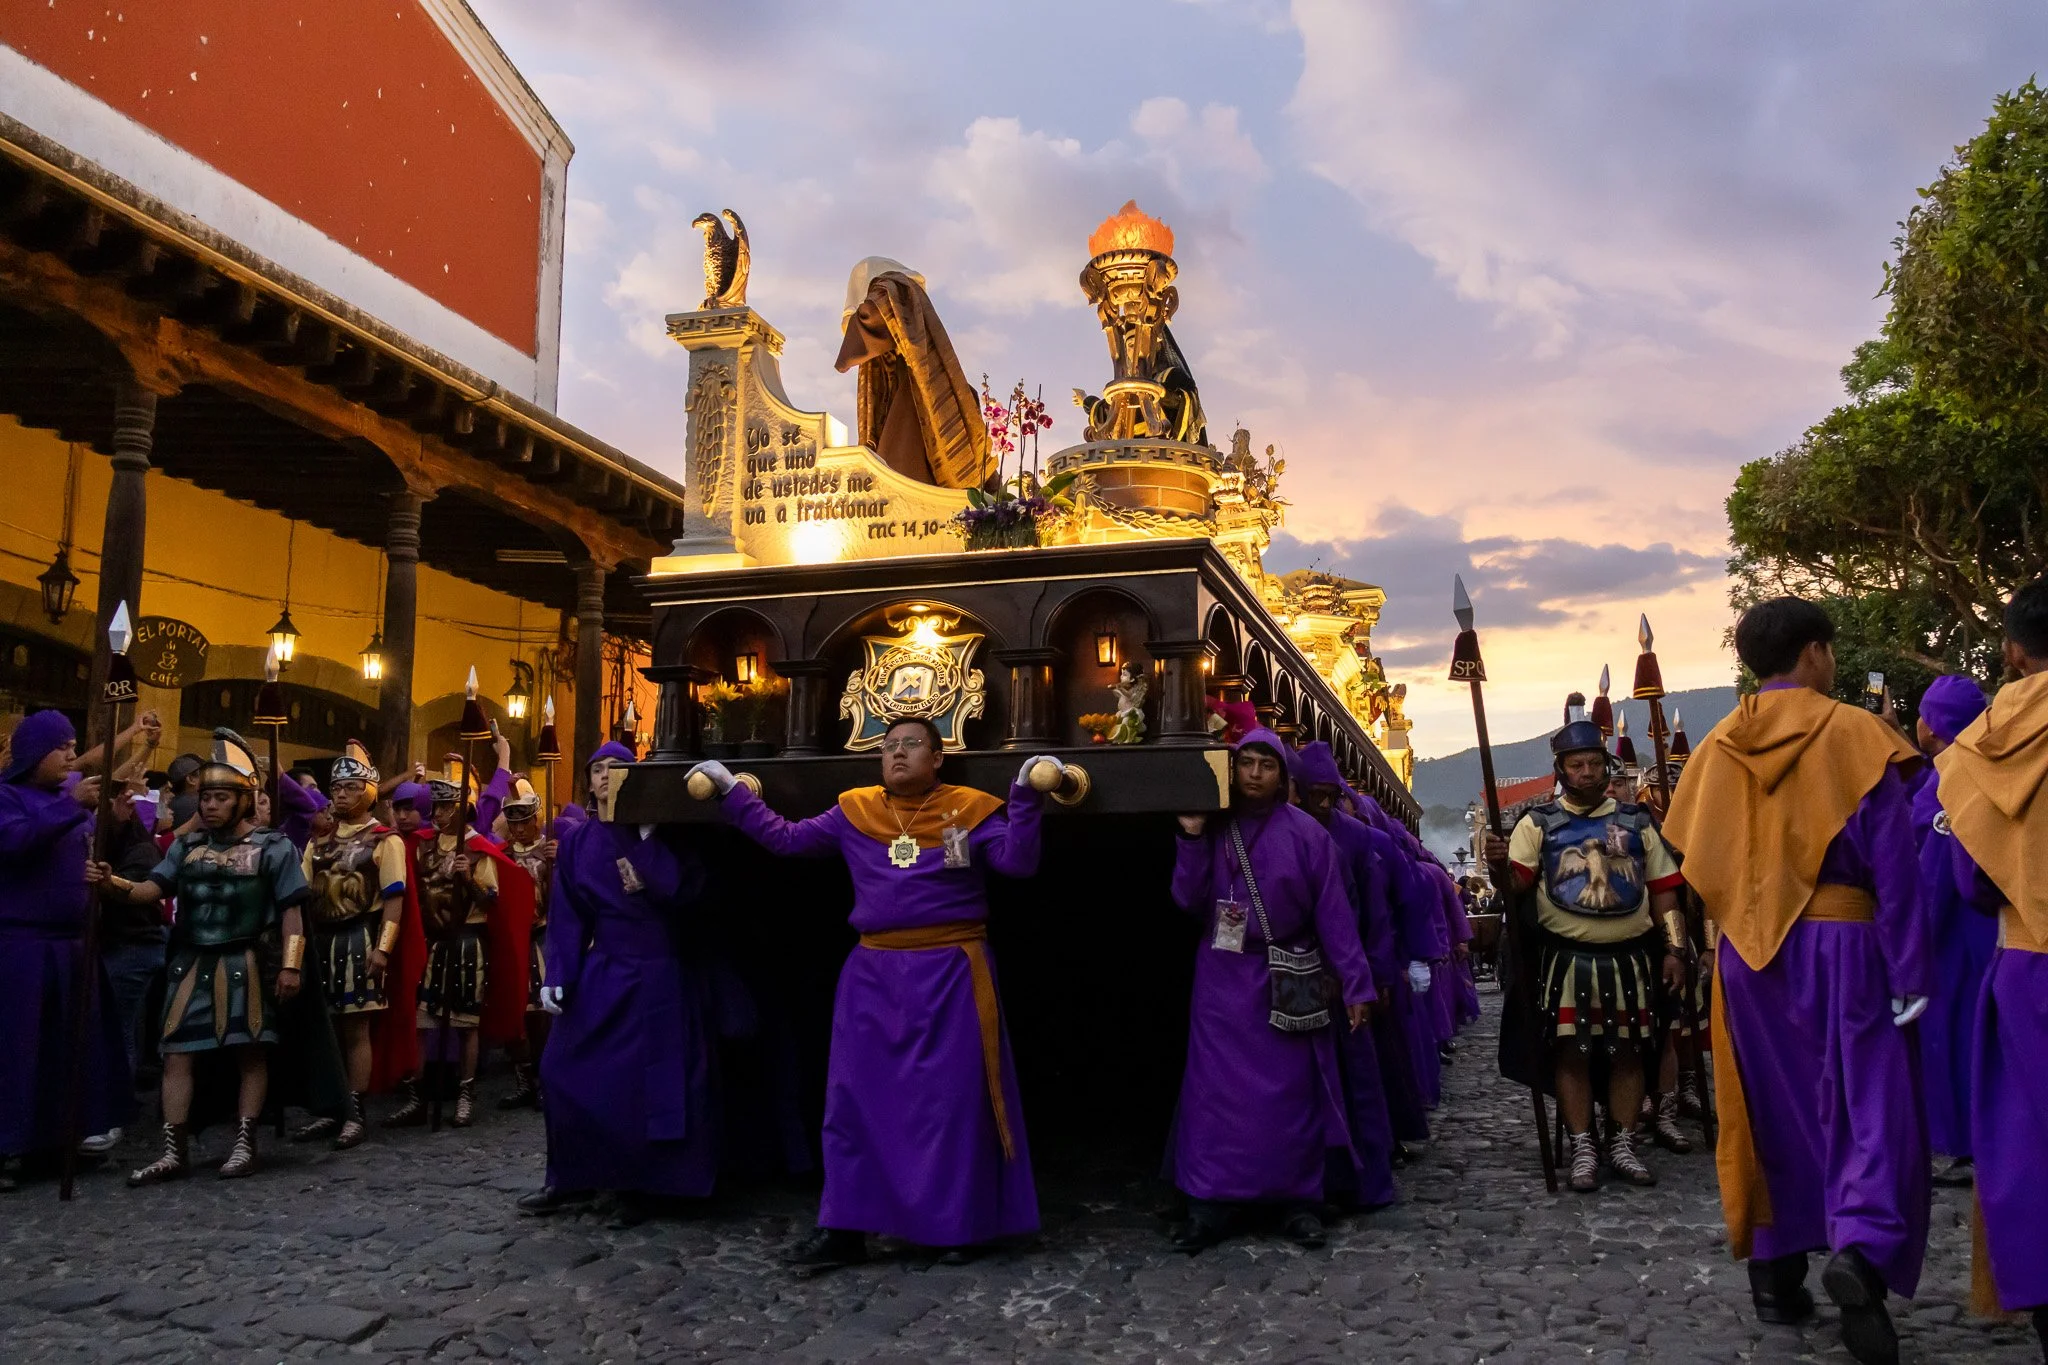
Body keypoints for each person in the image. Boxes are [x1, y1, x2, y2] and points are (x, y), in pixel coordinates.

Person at [692, 718, 1058, 1270]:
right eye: (888, 747)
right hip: (873, 977)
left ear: (939, 756)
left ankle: (958, 1225)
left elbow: (1018, 862)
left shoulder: (970, 809)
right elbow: (786, 840)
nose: (897, 754)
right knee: (854, 1103)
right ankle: (844, 1228)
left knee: (952, 1108)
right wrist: (731, 792)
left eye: (911, 744)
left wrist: (1026, 798)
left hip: (952, 976)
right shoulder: (855, 810)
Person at [1664, 598, 1926, 1365]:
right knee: (1868, 1101)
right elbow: (1898, 870)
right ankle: (1862, 1250)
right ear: (1815, 653)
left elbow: (1691, 860)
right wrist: (1911, 970)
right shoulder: (1856, 734)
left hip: (1748, 954)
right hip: (1846, 940)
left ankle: (1776, 1280)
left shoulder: (1714, 749)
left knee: (1765, 1108)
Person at [1169, 727, 1373, 1252]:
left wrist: (1355, 985)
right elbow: (1188, 900)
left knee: (1293, 1095)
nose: (1255, 774)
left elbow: (1335, 915)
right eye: (1247, 764)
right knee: (1214, 1095)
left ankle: (1298, 1201)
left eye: (1267, 764)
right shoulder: (1213, 829)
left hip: (1288, 972)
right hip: (1221, 978)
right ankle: (1209, 1204)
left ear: (1283, 775)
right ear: (1231, 770)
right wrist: (1190, 838)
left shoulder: (1308, 835)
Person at [94, 729, 310, 1184]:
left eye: (219, 797)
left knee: (249, 1052)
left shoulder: (274, 848)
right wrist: (111, 882)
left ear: (243, 800)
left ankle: (245, 1141)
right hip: (190, 960)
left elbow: (292, 911)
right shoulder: (187, 847)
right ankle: (174, 1150)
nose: (208, 805)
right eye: (206, 797)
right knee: (176, 1053)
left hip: (246, 961)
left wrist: (291, 964)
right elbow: (150, 891)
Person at [1487, 711, 1685, 1193]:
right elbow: (1517, 885)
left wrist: (1676, 949)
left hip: (1630, 958)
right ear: (1562, 770)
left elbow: (1663, 890)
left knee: (1628, 1053)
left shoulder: (1636, 822)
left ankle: (1622, 1141)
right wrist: (1497, 867)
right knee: (1572, 1053)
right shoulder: (1537, 825)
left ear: (1606, 767)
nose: (1587, 773)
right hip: (1566, 959)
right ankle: (1582, 1144)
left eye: (1594, 764)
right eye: (1577, 765)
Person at [520, 742, 714, 1227]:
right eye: (598, 769)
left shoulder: (664, 834)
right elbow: (568, 915)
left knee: (649, 1085)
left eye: (617, 769)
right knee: (561, 1069)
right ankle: (572, 1174)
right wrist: (558, 975)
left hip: (659, 973)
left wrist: (644, 850)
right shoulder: (580, 843)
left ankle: (647, 1185)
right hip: (604, 972)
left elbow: (683, 892)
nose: (606, 776)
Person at [1932, 580, 2048, 1355]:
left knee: (2027, 1146)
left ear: (2011, 649)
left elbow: (1969, 880)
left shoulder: (1980, 745)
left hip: (2024, 958)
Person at [0, 711, 129, 1191]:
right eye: (63, 747)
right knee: (20, 1049)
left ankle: (59, 1138)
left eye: (74, 745)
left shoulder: (67, 799)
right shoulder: (7, 797)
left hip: (73, 944)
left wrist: (91, 873)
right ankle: (9, 1145)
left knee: (66, 1050)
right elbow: (15, 843)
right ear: (35, 753)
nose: (72, 756)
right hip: (22, 946)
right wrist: (71, 805)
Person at [385, 761, 532, 1129]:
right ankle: (417, 1095)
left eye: (447, 806)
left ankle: (465, 1095)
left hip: (467, 942)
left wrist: (468, 878)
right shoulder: (420, 846)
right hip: (432, 943)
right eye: (436, 807)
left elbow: (491, 901)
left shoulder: (478, 850)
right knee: (421, 1022)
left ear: (462, 807)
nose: (439, 814)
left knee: (467, 1024)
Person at [1290, 740, 1400, 1207]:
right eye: (1311, 793)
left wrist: (1375, 974)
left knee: (1354, 1079)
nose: (1320, 802)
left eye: (1327, 794)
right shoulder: (1287, 832)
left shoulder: (1357, 839)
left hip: (1343, 970)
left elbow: (1373, 914)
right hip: (1296, 970)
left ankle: (1361, 1179)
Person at [294, 741, 410, 1149]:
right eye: (336, 787)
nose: (340, 793)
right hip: (320, 942)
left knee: (355, 1028)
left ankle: (355, 1112)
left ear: (369, 791)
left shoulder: (384, 840)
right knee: (325, 1030)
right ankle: (331, 1107)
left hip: (359, 938)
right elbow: (300, 893)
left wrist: (384, 949)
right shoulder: (318, 842)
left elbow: (395, 899)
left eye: (350, 786)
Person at [1908, 674, 1991, 1183]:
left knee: (1955, 1036)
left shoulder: (1945, 785)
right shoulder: (1977, 768)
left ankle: (1963, 1143)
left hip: (1955, 937)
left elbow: (1936, 874)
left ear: (1934, 725)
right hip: (1986, 930)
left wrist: (1913, 942)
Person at [97, 780, 169, 1086]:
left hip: (134, 944)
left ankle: (116, 1105)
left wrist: (106, 883)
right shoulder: (120, 842)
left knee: (118, 1027)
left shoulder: (140, 848)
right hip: (127, 942)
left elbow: (138, 890)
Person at [494, 775, 555, 1110]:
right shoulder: (501, 855)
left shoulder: (548, 851)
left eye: (524, 821)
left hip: (542, 935)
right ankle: (523, 1081)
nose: (518, 828)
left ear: (536, 820)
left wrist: (556, 864)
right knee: (513, 1013)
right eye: (513, 821)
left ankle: (546, 1082)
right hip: (512, 939)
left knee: (542, 1014)